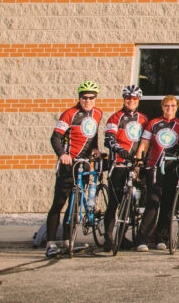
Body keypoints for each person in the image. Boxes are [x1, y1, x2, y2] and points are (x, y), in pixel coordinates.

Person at [44, 81, 103, 257]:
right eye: (84, 97)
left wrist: (96, 150)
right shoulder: (70, 114)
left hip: (84, 164)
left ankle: (68, 241)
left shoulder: (98, 114)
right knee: (59, 203)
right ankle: (50, 243)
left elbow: (93, 137)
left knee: (75, 204)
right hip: (69, 164)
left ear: (95, 99)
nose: (87, 101)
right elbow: (55, 138)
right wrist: (63, 154)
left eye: (91, 98)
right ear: (79, 98)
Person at [135, 95, 179, 251]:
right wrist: (139, 162)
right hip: (155, 167)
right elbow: (144, 144)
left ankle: (161, 237)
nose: (169, 109)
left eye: (172, 106)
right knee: (152, 201)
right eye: (166, 106)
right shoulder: (153, 123)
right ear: (162, 107)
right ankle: (143, 238)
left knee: (168, 203)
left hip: (172, 168)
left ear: (177, 107)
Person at [102, 84, 148, 251]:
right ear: (124, 99)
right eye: (128, 98)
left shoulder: (143, 119)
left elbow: (146, 141)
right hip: (119, 164)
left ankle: (123, 236)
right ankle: (108, 238)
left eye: (134, 99)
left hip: (135, 165)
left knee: (133, 202)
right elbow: (109, 139)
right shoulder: (115, 118)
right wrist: (119, 150)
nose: (131, 101)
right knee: (114, 203)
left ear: (138, 100)